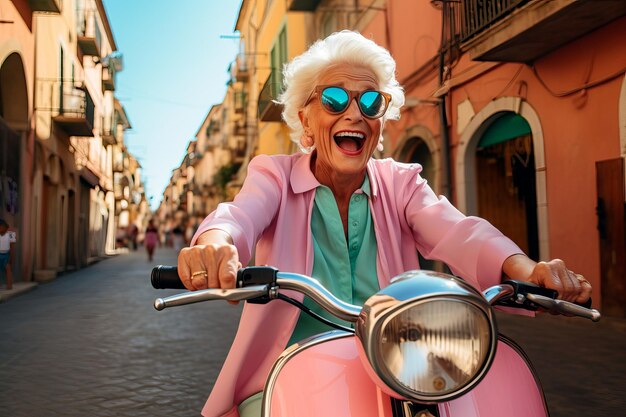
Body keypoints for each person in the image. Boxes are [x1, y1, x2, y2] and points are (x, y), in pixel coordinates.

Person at [178, 31, 592, 417]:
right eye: (335, 99)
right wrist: (216, 243)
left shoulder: (401, 182)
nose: (355, 113)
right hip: (287, 368)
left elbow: (457, 230)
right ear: (305, 122)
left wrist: (527, 269)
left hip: (400, 366)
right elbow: (240, 213)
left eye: (371, 102)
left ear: (379, 124)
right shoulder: (275, 175)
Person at [0, 219, 16, 290]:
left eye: (1, 227)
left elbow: (12, 246)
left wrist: (11, 257)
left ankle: (9, 285)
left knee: (8, 269)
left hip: (6, 254)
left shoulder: (10, 234)